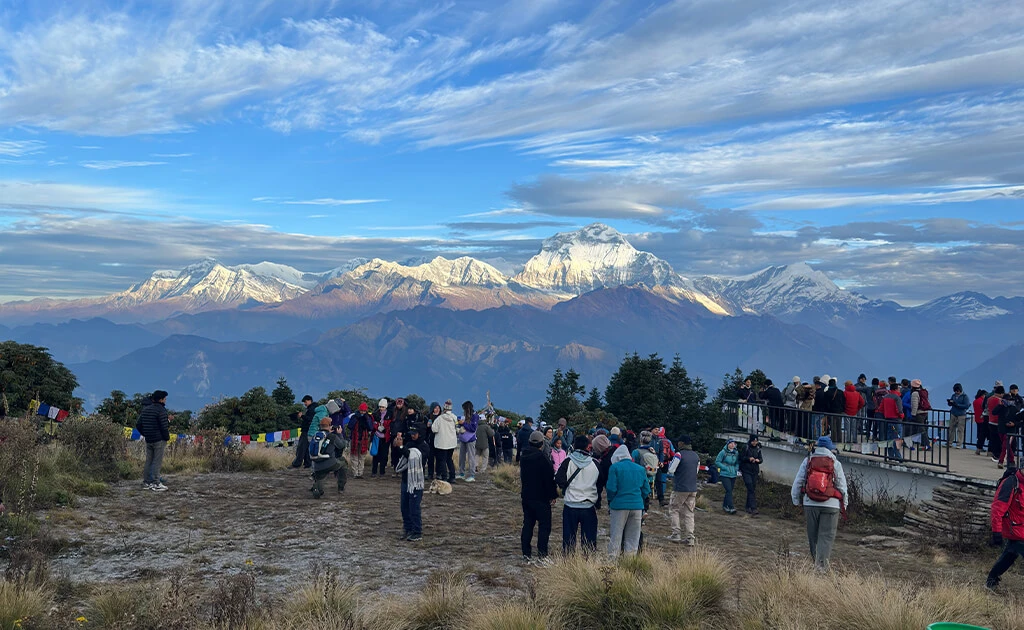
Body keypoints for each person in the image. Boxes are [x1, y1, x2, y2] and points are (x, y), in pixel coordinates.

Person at [791, 436, 848, 570]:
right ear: (830, 448)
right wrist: (844, 505)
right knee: (826, 536)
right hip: (831, 505)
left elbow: (798, 481)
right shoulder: (835, 462)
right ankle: (821, 567)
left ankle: (815, 562)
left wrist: (796, 500)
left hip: (810, 503)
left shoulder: (808, 460)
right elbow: (842, 486)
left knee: (813, 535)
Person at [556, 435, 600, 554]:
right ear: (587, 447)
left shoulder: (567, 461)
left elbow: (559, 478)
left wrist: (566, 486)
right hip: (588, 505)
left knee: (569, 539)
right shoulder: (595, 463)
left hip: (571, 505)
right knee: (589, 540)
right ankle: (588, 561)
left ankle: (569, 560)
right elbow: (600, 483)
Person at [605, 444, 650, 557]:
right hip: (637, 506)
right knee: (633, 538)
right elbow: (646, 490)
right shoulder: (640, 469)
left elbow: (611, 489)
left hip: (618, 506)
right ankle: (630, 562)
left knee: (616, 536)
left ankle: (612, 561)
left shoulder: (614, 468)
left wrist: (611, 501)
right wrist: (639, 499)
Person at [520, 430, 557, 563]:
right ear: (542, 444)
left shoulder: (524, 456)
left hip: (527, 495)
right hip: (541, 497)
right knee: (544, 526)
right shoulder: (543, 458)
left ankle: (526, 553)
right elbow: (549, 479)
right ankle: (542, 554)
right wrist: (553, 495)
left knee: (528, 524)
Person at [986, 467, 1024, 590]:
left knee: (1010, 554)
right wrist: (996, 532)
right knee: (1011, 552)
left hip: (1021, 530)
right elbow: (998, 508)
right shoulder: (1010, 483)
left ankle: (991, 581)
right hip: (1015, 530)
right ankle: (991, 581)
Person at [395, 423, 430, 542]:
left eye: (415, 434)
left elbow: (413, 457)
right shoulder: (409, 444)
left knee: (414, 507)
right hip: (406, 480)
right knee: (404, 507)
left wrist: (401, 447)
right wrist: (398, 446)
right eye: (412, 434)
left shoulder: (424, 447)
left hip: (416, 482)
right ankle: (407, 529)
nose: (413, 436)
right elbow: (403, 456)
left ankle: (417, 531)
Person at [667, 436, 700, 545]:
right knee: (689, 512)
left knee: (674, 509)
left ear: (681, 443)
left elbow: (671, 469)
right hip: (693, 488)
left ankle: (676, 534)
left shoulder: (679, 455)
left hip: (680, 487)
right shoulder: (696, 456)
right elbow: (696, 471)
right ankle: (690, 537)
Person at [137, 390, 170, 492]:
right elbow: (164, 426)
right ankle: (156, 483)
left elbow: (138, 425)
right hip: (159, 440)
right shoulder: (161, 410)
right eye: (165, 398)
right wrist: (166, 437)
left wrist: (145, 433)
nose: (165, 400)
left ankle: (146, 482)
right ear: (161, 399)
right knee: (157, 462)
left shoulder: (146, 410)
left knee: (149, 461)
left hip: (149, 439)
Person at [310, 417, 348, 498]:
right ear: (330, 426)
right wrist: (340, 434)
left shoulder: (316, 435)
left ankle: (317, 488)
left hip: (317, 465)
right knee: (343, 462)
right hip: (330, 463)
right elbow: (342, 445)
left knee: (320, 477)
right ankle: (341, 487)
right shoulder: (332, 436)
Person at [431, 400, 458, 483]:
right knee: (449, 459)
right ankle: (452, 476)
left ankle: (444, 477)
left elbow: (434, 429)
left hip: (441, 443)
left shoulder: (439, 418)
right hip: (451, 443)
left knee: (442, 460)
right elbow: (458, 428)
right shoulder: (454, 417)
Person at [996, 386, 1022, 469]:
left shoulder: (1015, 409)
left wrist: (1014, 424)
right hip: (1001, 429)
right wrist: (1000, 405)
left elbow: (1020, 420)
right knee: (1007, 446)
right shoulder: (1001, 408)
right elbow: (993, 412)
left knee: (1005, 446)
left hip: (1010, 431)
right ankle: (1012, 460)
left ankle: (1001, 461)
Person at [347, 402, 373, 479]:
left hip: (363, 440)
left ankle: (360, 473)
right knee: (354, 456)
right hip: (354, 439)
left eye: (364, 411)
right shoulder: (354, 417)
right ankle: (355, 473)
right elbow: (350, 426)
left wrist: (366, 419)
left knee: (362, 457)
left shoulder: (368, 417)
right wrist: (356, 419)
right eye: (361, 410)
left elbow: (370, 427)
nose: (362, 412)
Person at [740, 434, 763, 516]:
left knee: (752, 489)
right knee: (750, 486)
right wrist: (748, 459)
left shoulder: (758, 449)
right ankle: (753, 507)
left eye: (756, 441)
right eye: (753, 441)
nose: (754, 443)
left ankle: (748, 506)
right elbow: (741, 458)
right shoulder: (745, 447)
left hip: (754, 471)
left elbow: (761, 459)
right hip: (746, 470)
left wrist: (758, 460)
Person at [290, 394, 316, 469]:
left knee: (301, 447)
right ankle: (308, 463)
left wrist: (302, 416)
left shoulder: (311, 410)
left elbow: (309, 419)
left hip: (306, 430)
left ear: (310, 401)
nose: (305, 403)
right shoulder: (313, 408)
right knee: (307, 448)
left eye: (305, 402)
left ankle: (297, 463)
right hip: (311, 431)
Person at [715, 439, 740, 514]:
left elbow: (737, 462)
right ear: (727, 444)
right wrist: (725, 468)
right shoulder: (723, 452)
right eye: (731, 443)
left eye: (734, 443)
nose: (732, 445)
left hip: (733, 474)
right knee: (728, 490)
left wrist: (736, 468)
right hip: (724, 474)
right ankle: (731, 506)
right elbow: (717, 462)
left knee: (729, 491)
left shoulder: (736, 453)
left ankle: (725, 505)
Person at [457, 401, 479, 482]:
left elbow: (473, 428)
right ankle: (461, 473)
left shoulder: (475, 416)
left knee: (471, 457)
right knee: (461, 456)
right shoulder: (465, 416)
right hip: (463, 438)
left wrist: (464, 423)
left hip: (471, 439)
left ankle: (472, 475)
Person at [388, 398, 409, 477]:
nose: (399, 405)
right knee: (394, 453)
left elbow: (405, 424)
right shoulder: (393, 411)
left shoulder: (406, 412)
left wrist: (402, 432)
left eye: (401, 403)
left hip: (402, 436)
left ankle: (401, 470)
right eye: (398, 403)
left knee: (401, 453)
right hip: (393, 434)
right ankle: (395, 469)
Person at [371, 398, 391, 477]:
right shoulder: (375, 414)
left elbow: (390, 425)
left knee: (384, 455)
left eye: (383, 407)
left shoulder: (389, 414)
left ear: (386, 407)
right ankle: (374, 471)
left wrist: (385, 429)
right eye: (380, 407)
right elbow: (373, 423)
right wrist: (377, 427)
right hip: (377, 436)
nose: (381, 408)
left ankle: (382, 472)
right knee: (375, 454)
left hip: (385, 437)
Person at [946, 384, 970, 448]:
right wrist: (950, 403)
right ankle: (949, 442)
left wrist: (958, 405)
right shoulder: (953, 396)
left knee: (960, 429)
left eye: (957, 391)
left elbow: (967, 405)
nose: (956, 392)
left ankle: (959, 444)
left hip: (961, 414)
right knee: (951, 428)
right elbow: (951, 402)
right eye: (955, 391)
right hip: (953, 413)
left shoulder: (965, 397)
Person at [987, 386, 1006, 462]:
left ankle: (994, 454)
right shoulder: (999, 400)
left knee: (993, 439)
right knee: (998, 440)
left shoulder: (989, 399)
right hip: (997, 422)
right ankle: (998, 455)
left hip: (990, 420)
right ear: (1001, 393)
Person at [425, 402, 441, 479]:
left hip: (439, 439)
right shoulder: (428, 417)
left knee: (439, 458)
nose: (437, 409)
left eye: (438, 408)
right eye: (435, 408)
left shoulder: (441, 417)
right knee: (430, 458)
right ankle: (430, 474)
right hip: (430, 439)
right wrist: (427, 426)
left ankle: (438, 473)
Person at [974, 389, 990, 456]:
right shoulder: (982, 401)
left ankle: (979, 448)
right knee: (987, 434)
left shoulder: (975, 401)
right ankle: (989, 450)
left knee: (980, 434)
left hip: (977, 418)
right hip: (984, 419)